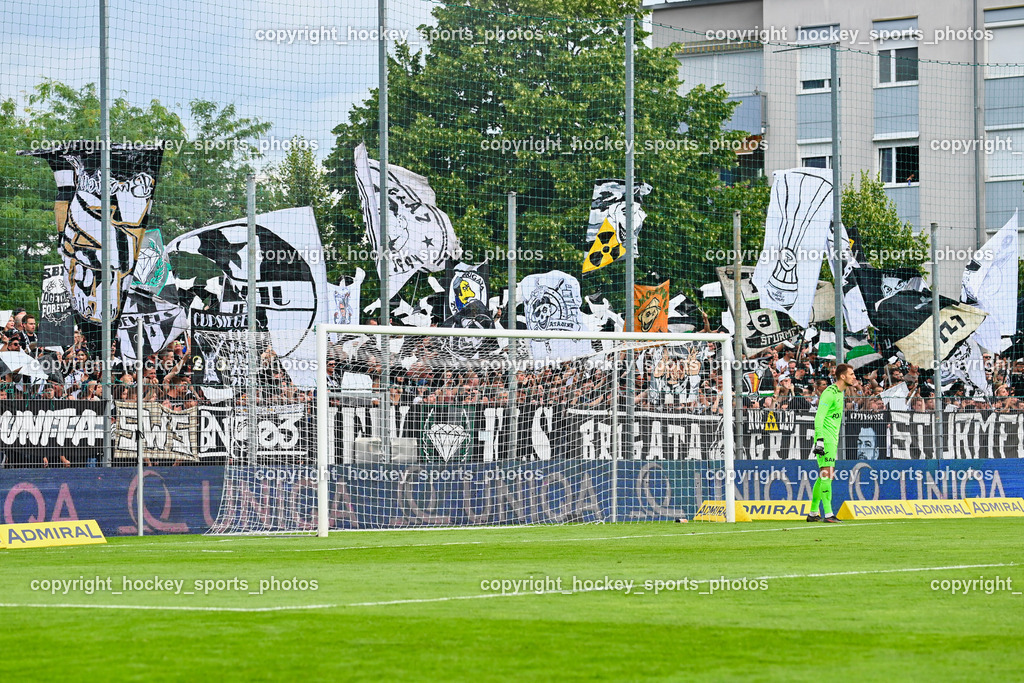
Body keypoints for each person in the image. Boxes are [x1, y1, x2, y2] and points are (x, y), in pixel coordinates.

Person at [808, 363, 859, 523]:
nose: (854, 377)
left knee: (823, 475)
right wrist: (820, 440)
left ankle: (813, 513)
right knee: (827, 475)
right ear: (843, 376)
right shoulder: (829, 393)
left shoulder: (840, 393)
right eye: (851, 374)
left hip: (832, 439)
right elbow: (819, 417)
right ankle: (829, 514)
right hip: (826, 439)